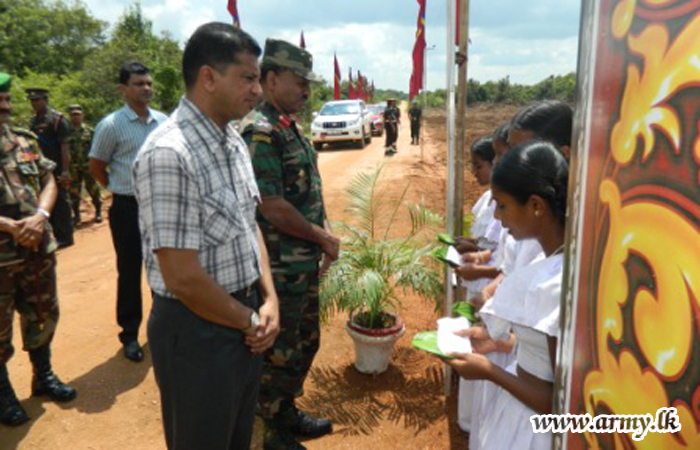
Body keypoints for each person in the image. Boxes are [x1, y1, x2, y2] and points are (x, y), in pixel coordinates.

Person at [133, 23, 280, 449]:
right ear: (209, 77)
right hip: (196, 332)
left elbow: (248, 224)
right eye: (248, 77)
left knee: (236, 436)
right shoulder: (169, 153)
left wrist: (267, 298)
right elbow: (181, 277)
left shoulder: (232, 142)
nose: (257, 89)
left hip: (243, 320)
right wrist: (250, 319)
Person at [242, 38, 340, 450]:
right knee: (278, 352)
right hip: (279, 267)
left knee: (305, 341)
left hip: (301, 260)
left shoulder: (288, 125)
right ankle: (268, 432)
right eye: (298, 81)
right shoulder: (261, 132)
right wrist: (322, 238)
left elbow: (308, 192)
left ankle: (285, 412)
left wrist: (321, 234)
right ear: (271, 78)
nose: (305, 90)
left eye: (307, 83)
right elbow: (273, 206)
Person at [444, 140, 569, 449]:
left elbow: (557, 403)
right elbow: (541, 346)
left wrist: (489, 371)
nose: (498, 217)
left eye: (503, 205)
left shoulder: (552, 283)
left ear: (536, 206)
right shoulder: (549, 264)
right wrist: (501, 341)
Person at [0, 73, 77, 427]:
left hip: (36, 248)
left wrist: (41, 216)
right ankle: (3, 394)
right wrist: (9, 226)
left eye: (6, 99)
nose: (5, 105)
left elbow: (49, 178)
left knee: (43, 312)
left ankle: (42, 376)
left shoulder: (24, 139)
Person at [88, 61, 167, 362]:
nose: (145, 88)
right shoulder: (110, 125)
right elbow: (96, 165)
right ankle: (130, 335)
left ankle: (162, 329)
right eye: (138, 84)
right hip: (127, 207)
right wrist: (118, 187)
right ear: (123, 89)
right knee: (130, 271)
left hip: (161, 205)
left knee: (166, 267)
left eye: (148, 83)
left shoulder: (163, 121)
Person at [26, 87, 74, 248]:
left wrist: (66, 171)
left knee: (61, 201)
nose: (34, 103)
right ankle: (54, 235)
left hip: (58, 167)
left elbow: (65, 146)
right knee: (46, 202)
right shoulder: (33, 121)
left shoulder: (57, 120)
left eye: (37, 100)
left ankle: (66, 236)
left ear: (45, 100)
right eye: (32, 101)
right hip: (41, 168)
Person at [66, 105, 101, 225]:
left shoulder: (89, 131)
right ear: (70, 116)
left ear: (83, 116)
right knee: (74, 192)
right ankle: (76, 216)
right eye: (73, 114)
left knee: (93, 188)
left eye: (78, 114)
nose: (76, 117)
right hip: (73, 167)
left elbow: (96, 147)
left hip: (88, 165)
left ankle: (98, 212)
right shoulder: (65, 131)